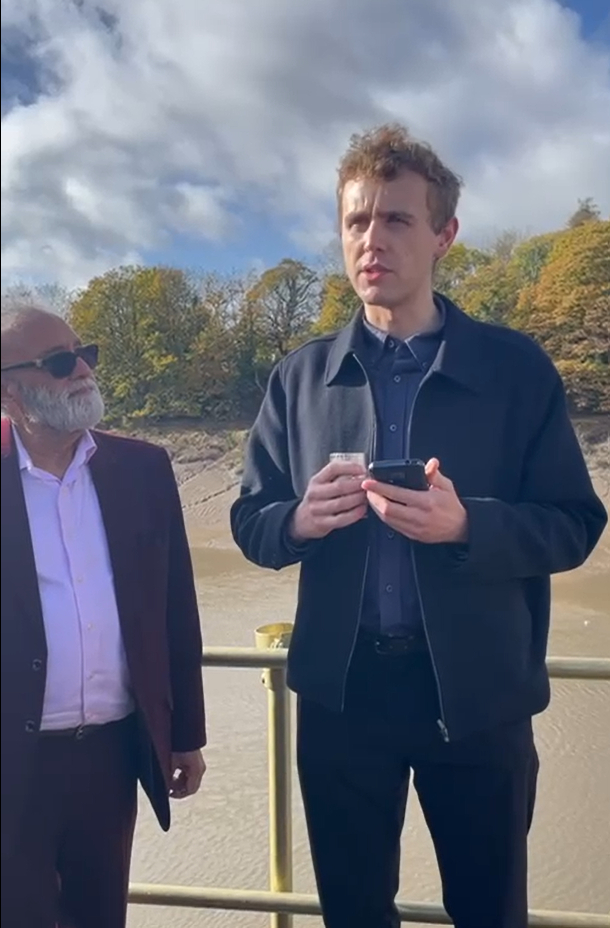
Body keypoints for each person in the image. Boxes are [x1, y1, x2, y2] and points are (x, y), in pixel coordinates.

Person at [230, 124, 607, 928]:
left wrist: (470, 526)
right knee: (353, 914)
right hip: (341, 699)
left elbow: (576, 524)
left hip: (478, 695)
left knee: (489, 911)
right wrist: (297, 521)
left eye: (397, 219)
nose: (372, 239)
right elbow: (251, 522)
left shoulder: (516, 369)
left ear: (445, 235)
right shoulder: (299, 377)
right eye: (356, 220)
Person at [1, 304, 207, 928]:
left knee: (100, 916)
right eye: (60, 363)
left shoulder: (143, 469)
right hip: (12, 761)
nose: (83, 371)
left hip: (111, 756)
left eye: (84, 354)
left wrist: (185, 733)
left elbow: (174, 608)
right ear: (8, 391)